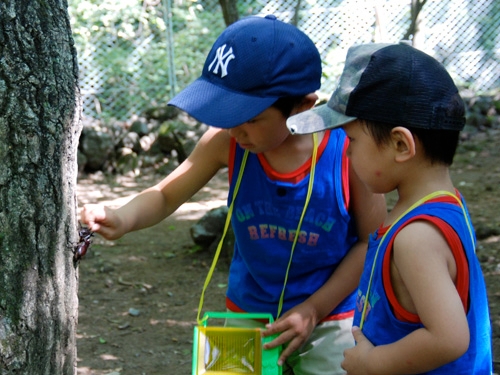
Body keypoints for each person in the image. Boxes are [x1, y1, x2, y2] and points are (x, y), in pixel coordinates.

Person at [81, 15, 386, 374]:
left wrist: (315, 309)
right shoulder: (226, 142)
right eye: (225, 113)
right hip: (248, 312)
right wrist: (122, 216)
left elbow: (372, 241)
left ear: (303, 105)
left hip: (331, 318)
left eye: (251, 117)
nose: (235, 128)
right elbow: (165, 195)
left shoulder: (347, 155)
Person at [286, 42, 493, 374]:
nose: (347, 154)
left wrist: (372, 363)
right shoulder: (445, 204)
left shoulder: (416, 238)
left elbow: (450, 339)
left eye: (352, 141)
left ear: (400, 144)